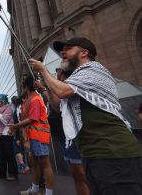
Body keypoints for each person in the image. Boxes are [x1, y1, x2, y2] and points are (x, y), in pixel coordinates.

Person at [28, 37, 141, 194]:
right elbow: (57, 106)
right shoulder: (76, 78)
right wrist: (50, 83)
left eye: (68, 49)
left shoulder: (93, 69)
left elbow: (62, 91)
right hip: (93, 153)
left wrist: (43, 70)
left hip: (114, 152)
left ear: (84, 52)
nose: (62, 52)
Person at [42, 69, 89, 195]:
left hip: (79, 136)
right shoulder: (59, 89)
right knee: (77, 175)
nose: (56, 77)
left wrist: (44, 79)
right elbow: (56, 106)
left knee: (83, 174)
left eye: (59, 74)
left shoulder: (73, 84)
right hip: (67, 137)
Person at [10, 77, 53, 195]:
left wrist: (15, 126)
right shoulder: (29, 99)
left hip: (39, 135)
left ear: (26, 87)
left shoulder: (35, 99)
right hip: (32, 136)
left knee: (45, 163)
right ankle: (34, 190)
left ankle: (49, 193)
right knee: (33, 163)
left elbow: (32, 118)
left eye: (23, 88)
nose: (22, 91)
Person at [0, 94, 18, 182]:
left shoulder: (8, 108)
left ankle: (13, 174)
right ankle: (2, 172)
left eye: (0, 100)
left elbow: (5, 120)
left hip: (7, 133)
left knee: (9, 155)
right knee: (1, 155)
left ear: (4, 100)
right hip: (0, 135)